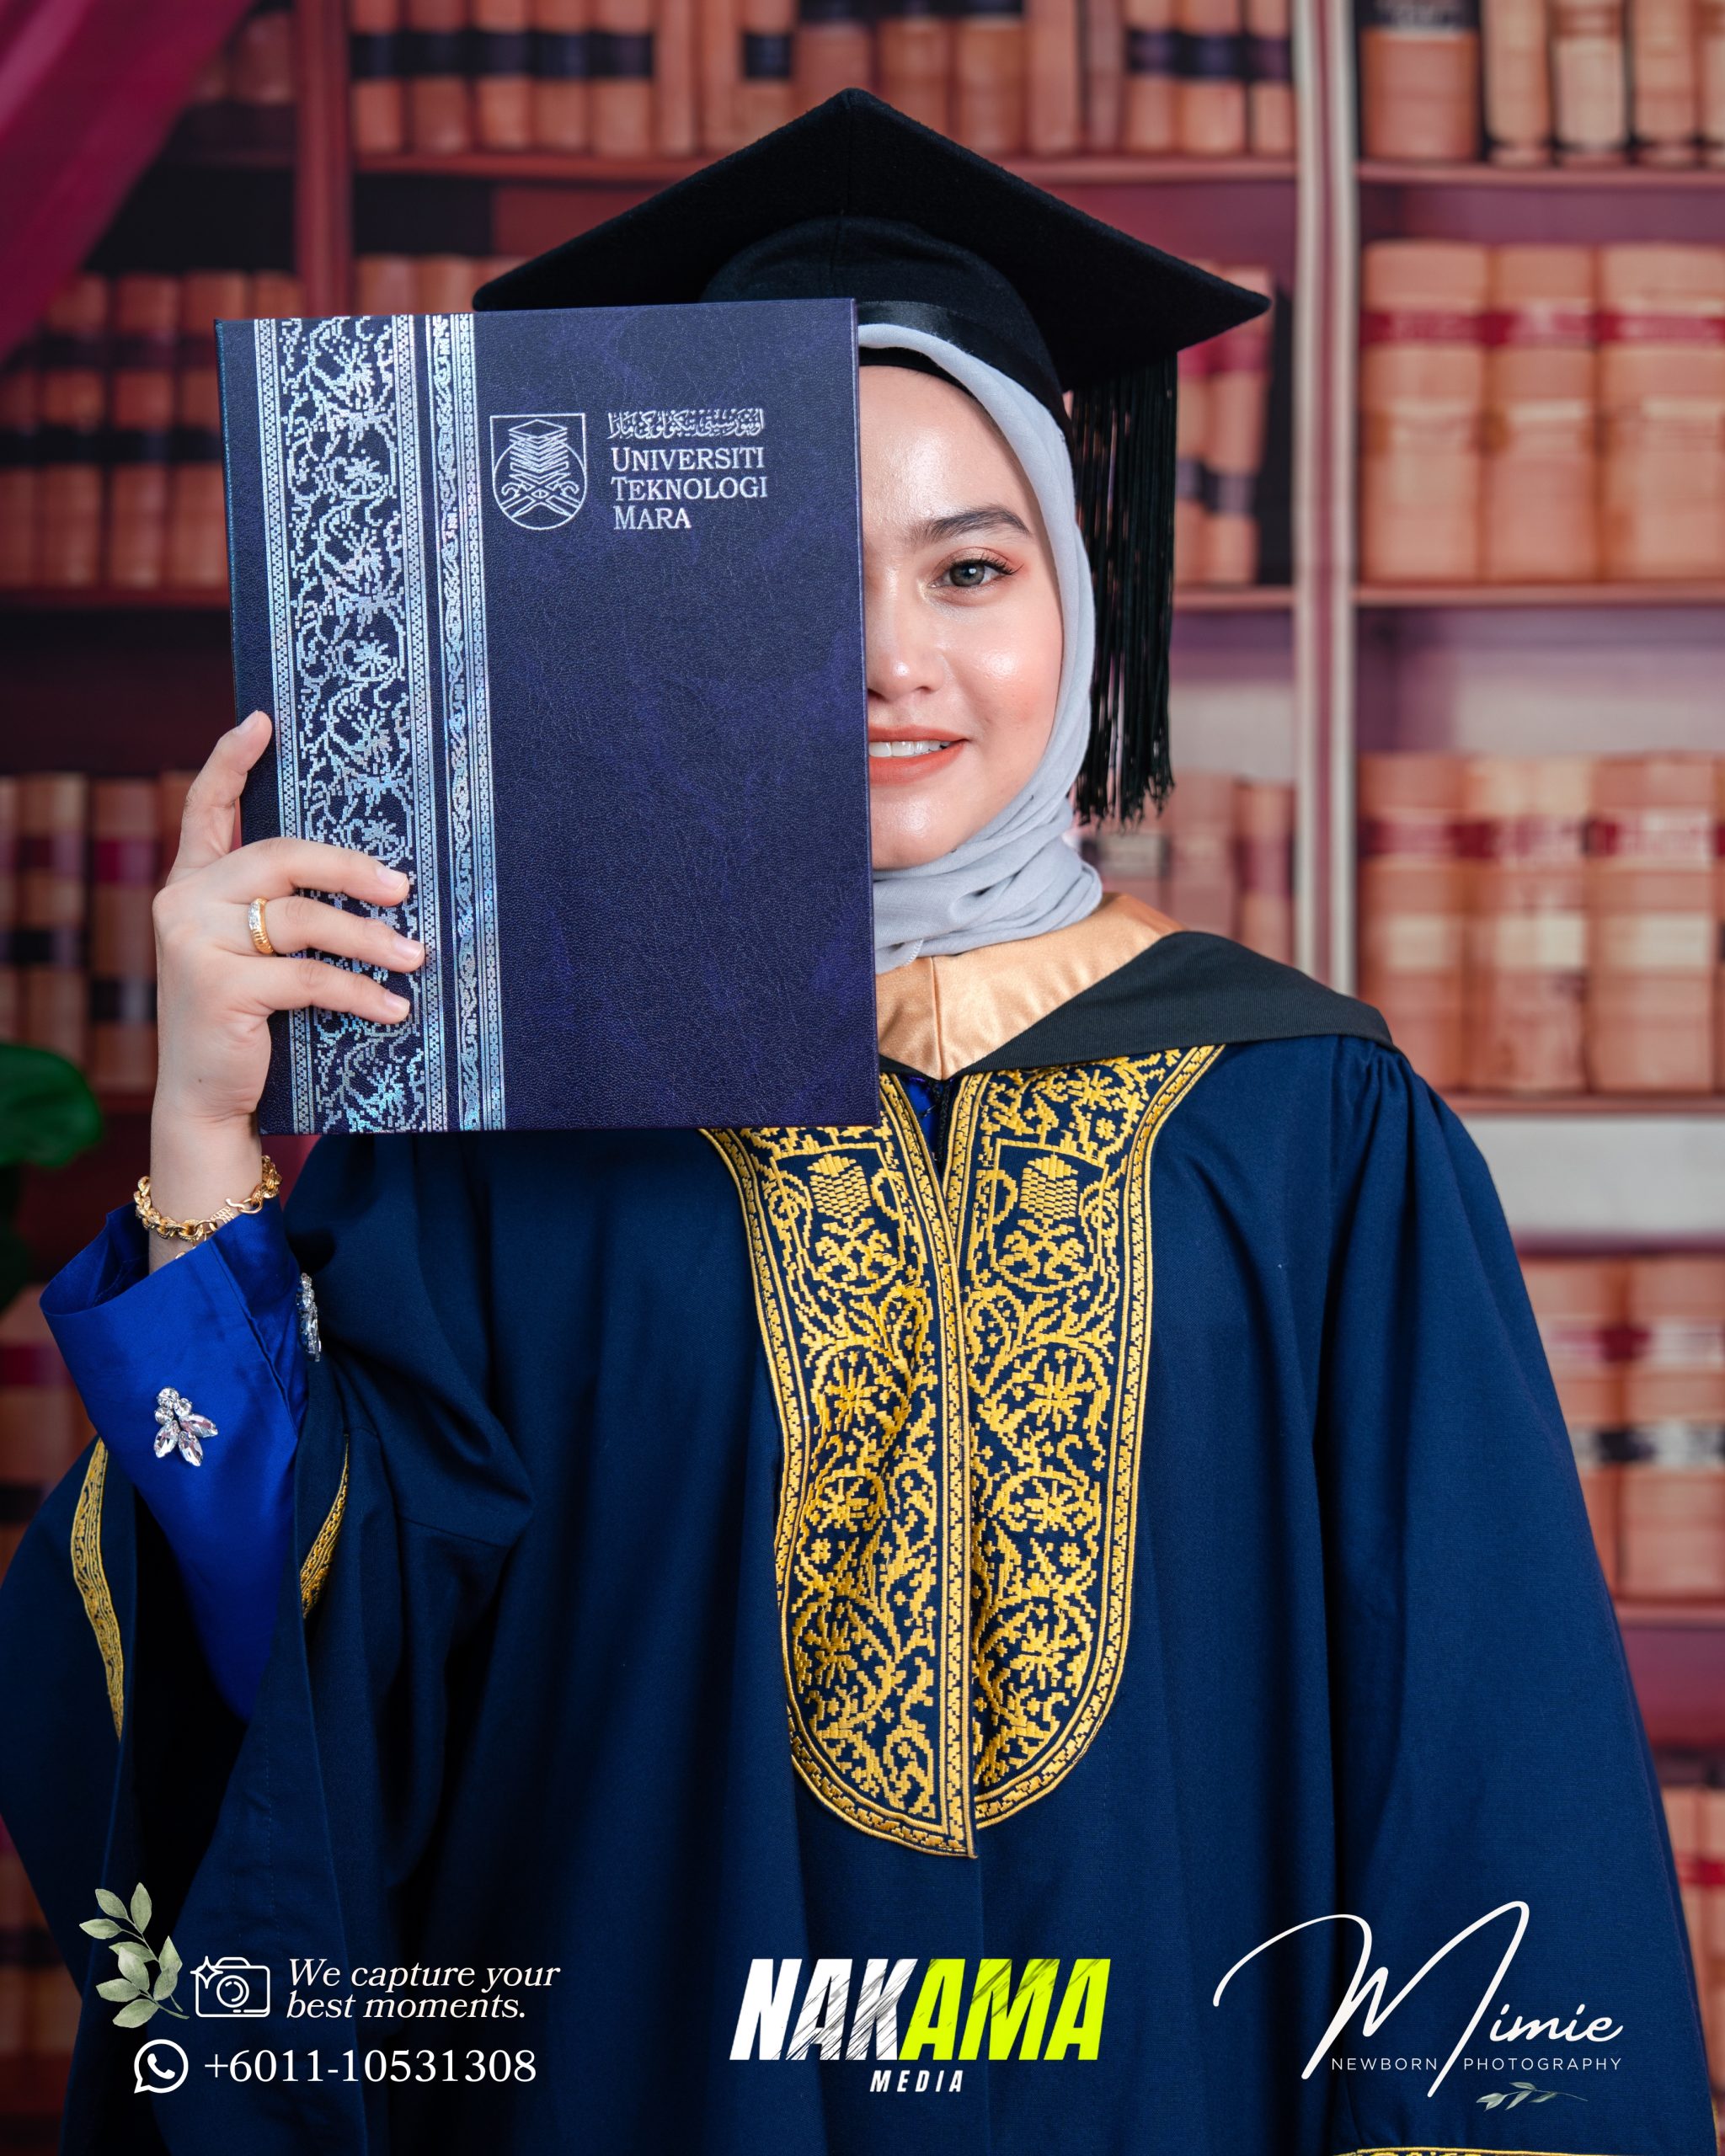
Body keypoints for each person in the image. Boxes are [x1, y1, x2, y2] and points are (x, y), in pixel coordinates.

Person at [0, 90, 1713, 2156]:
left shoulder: (1308, 1124)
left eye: (970, 565)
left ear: (1081, 599)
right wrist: (204, 1139)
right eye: (795, 575)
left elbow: (1484, 1760)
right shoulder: (514, 1125)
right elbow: (288, 1673)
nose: (892, 662)